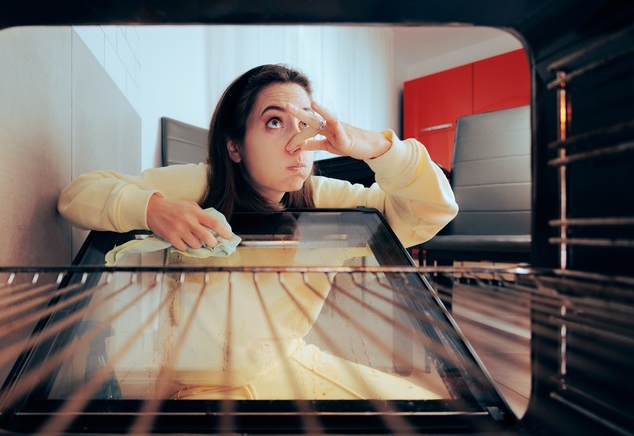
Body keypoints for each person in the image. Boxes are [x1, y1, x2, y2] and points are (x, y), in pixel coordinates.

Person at [57, 64, 458, 400]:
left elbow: (431, 210)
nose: (297, 139)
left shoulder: (324, 197)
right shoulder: (202, 184)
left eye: (305, 122)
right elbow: (78, 195)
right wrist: (154, 208)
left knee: (431, 413)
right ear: (235, 146)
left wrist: (374, 146)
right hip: (201, 384)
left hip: (289, 361)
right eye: (274, 122)